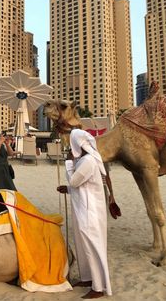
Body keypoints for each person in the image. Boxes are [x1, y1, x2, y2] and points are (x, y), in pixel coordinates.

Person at [56, 128, 112, 298]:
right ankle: (88, 277)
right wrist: (68, 189)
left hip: (90, 212)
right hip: (83, 208)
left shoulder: (88, 161)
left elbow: (74, 180)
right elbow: (82, 186)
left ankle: (98, 287)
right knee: (82, 245)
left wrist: (68, 163)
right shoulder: (84, 160)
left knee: (91, 245)